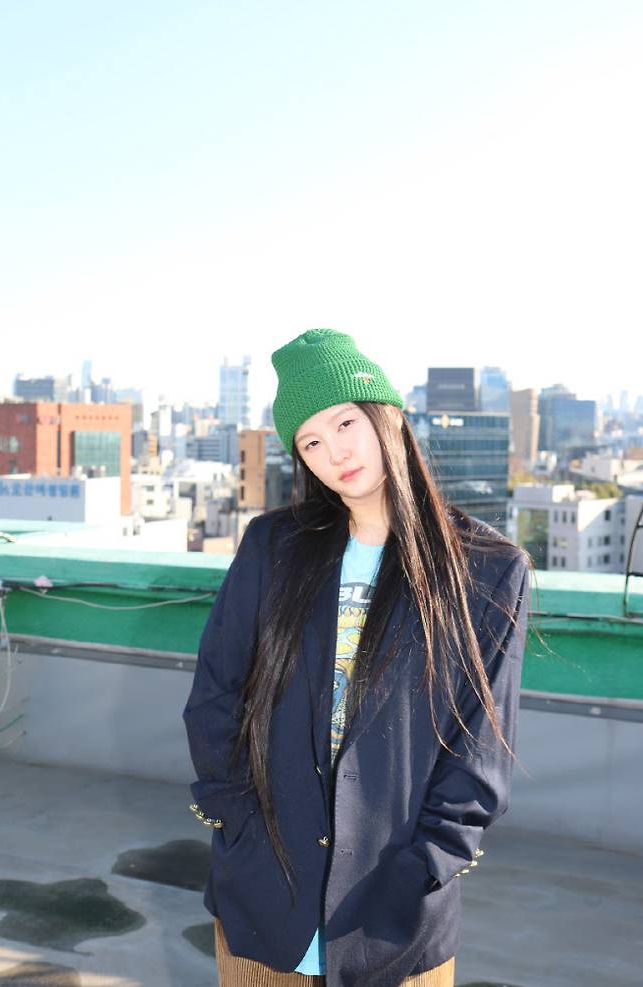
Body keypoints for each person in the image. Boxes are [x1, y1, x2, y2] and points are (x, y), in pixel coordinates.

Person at [183, 327, 532, 987]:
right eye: (311, 442)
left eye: (345, 422)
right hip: (264, 900)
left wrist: (427, 865)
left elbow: (481, 750)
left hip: (396, 919)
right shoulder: (273, 546)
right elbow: (215, 695)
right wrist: (238, 821)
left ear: (387, 415)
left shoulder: (487, 569)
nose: (334, 452)